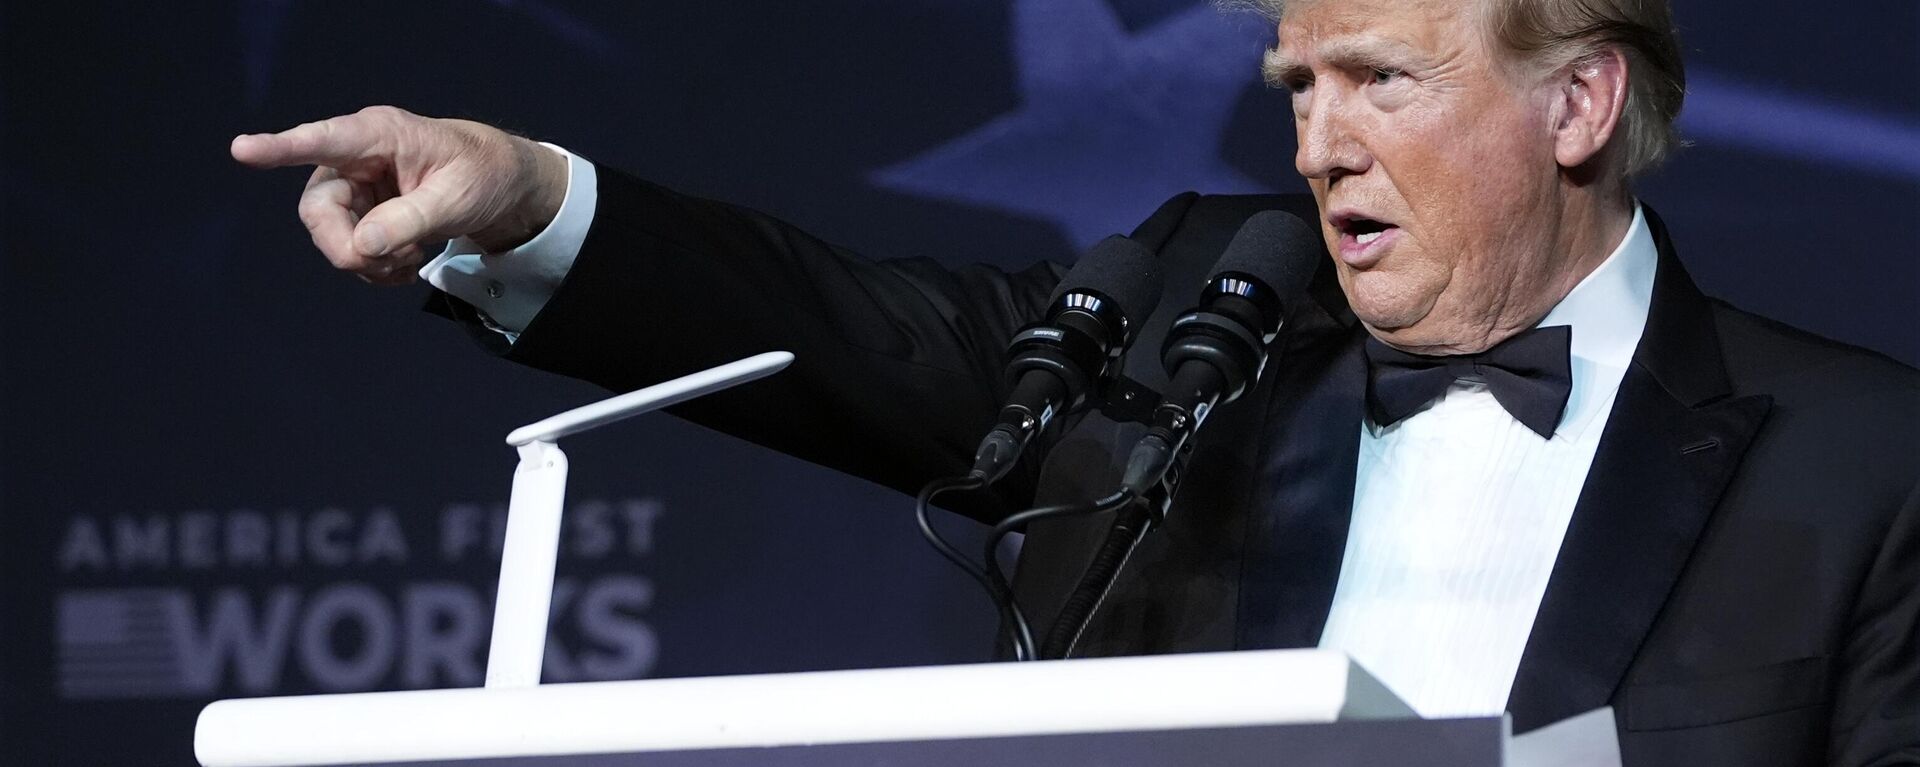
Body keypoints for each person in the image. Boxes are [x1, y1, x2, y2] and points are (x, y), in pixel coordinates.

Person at [230, 0, 1918, 764]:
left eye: (1381, 80)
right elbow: (843, 324)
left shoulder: (1862, 461)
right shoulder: (1203, 324)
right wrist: (530, 196)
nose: (1318, 142)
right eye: (1297, 84)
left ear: (1579, 105)